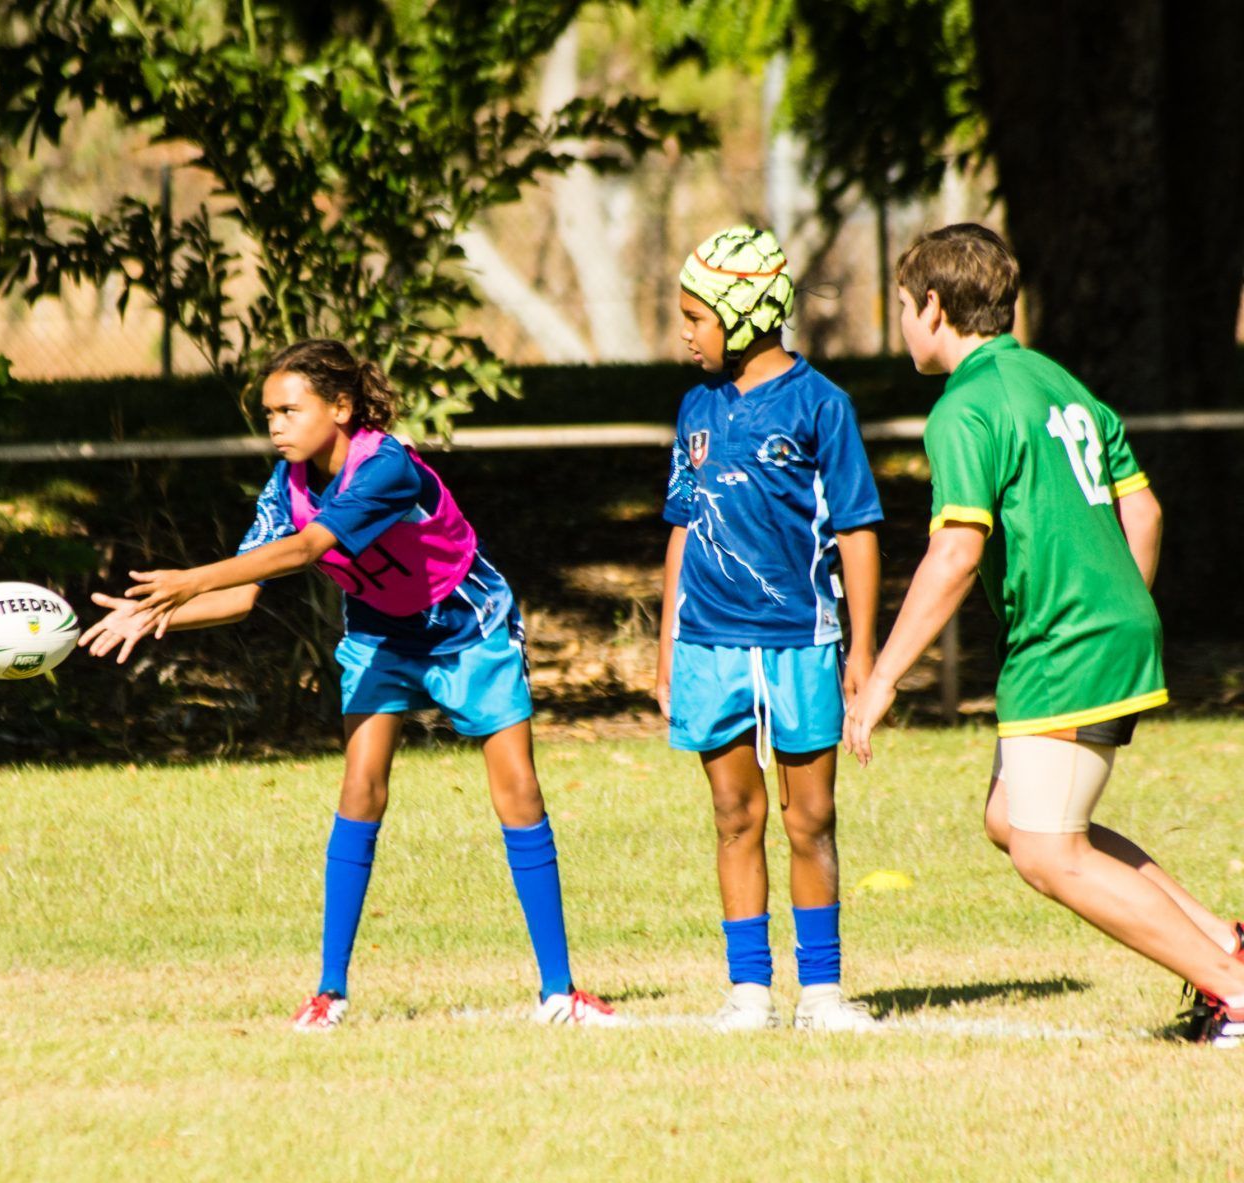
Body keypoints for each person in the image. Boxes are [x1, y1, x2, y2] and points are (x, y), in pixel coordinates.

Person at [80, 338, 619, 1031]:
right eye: (268, 413)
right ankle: (330, 991)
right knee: (361, 787)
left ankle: (559, 990)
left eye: (289, 409)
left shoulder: (385, 466)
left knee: (517, 789)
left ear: (341, 407)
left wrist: (186, 577)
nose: (275, 425)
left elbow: (307, 550)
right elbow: (243, 596)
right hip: (380, 634)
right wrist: (155, 611)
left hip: (470, 628)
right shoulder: (288, 485)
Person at [844, 222, 1244, 1047]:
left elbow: (956, 552)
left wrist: (882, 676)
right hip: (1106, 627)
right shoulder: (1060, 384)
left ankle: (1233, 989)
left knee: (1046, 852)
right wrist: (1120, 601)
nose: (903, 326)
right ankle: (1226, 944)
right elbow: (1145, 507)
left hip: (1066, 644)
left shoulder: (964, 409)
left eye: (903, 308)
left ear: (932, 306)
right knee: (1010, 817)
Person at [658, 225, 884, 1033]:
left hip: (801, 642)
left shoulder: (824, 406)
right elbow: (681, 527)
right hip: (710, 643)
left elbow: (857, 528)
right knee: (733, 816)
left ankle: (821, 992)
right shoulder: (695, 406)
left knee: (809, 817)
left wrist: (860, 649)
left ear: (745, 316)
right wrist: (666, 651)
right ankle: (748, 990)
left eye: (696, 317)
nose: (685, 333)